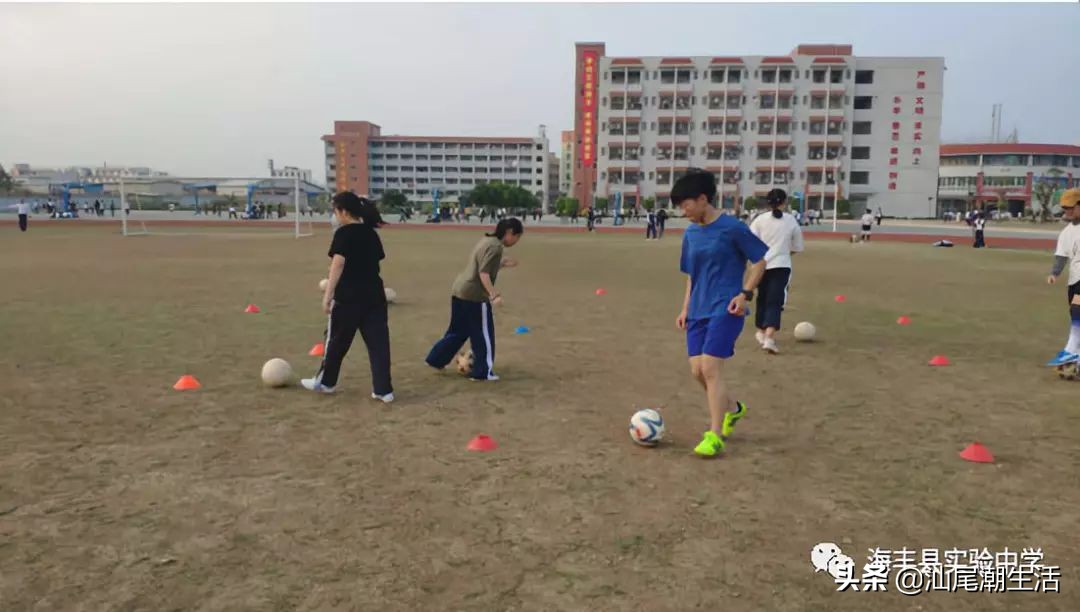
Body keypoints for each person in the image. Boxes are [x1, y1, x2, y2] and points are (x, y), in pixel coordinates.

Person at [673, 170, 768, 457]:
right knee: (697, 371)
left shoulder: (732, 228)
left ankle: (715, 435)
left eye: (686, 205)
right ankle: (734, 408)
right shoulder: (691, 233)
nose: (683, 212)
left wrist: (745, 293)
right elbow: (692, 275)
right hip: (698, 308)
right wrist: (685, 308)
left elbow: (760, 262)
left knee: (710, 368)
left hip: (726, 307)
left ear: (703, 199)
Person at [301, 192, 394, 402]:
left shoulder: (344, 233)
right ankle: (383, 390)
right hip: (374, 296)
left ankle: (326, 382)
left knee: (336, 342)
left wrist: (328, 295)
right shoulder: (371, 233)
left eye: (335, 211)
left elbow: (338, 264)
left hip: (348, 298)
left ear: (343, 211)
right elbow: (376, 260)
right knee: (379, 345)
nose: (335, 215)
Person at [425, 218, 523, 381]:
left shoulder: (487, 240)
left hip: (459, 290)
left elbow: (481, 265)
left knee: (458, 331)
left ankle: (436, 359)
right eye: (517, 236)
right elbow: (483, 273)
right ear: (509, 232)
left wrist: (502, 264)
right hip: (474, 295)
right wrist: (494, 295)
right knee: (483, 335)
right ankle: (482, 373)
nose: (516, 241)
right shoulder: (496, 247)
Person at [749, 189, 804, 354]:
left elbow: (750, 242)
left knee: (763, 298)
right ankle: (769, 337)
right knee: (775, 301)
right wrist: (784, 253)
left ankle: (762, 331)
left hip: (760, 266)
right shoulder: (790, 220)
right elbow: (797, 246)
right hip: (781, 266)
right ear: (784, 202)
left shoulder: (759, 220)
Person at [1046, 189, 1080, 367]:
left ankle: (1070, 349)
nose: (1067, 211)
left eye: (1071, 207)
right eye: (1065, 208)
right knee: (1075, 314)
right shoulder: (1067, 232)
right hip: (1074, 279)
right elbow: (1061, 255)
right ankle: (1075, 352)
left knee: (1077, 309)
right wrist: (1055, 273)